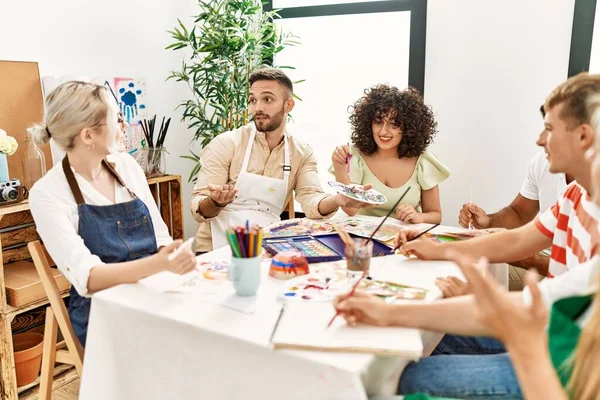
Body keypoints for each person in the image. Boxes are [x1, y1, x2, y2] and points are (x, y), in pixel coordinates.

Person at [335, 72, 600, 399]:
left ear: (584, 137)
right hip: (545, 332)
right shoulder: (575, 194)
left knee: (411, 377)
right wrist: (439, 250)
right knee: (428, 338)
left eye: (548, 128)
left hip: (561, 365)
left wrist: (389, 310)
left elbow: (533, 305)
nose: (539, 140)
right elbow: (515, 239)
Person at [28, 81, 196, 346]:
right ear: (88, 136)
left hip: (152, 291)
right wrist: (160, 264)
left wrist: (171, 256)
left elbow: (160, 237)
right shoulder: (48, 193)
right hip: (103, 313)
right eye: (116, 118)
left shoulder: (127, 166)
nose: (124, 125)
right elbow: (90, 278)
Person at [190, 68, 371, 253]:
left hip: (267, 247)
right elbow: (199, 208)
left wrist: (338, 199)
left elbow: (310, 199)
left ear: (288, 105)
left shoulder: (301, 152)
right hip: (216, 249)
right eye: (253, 100)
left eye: (267, 99)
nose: (258, 107)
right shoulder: (226, 143)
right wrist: (216, 201)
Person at [437, 106, 572, 295]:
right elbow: (519, 215)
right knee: (456, 272)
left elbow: (582, 274)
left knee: (465, 281)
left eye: (549, 129)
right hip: (547, 263)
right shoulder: (547, 167)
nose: (540, 140)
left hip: (561, 275)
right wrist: (487, 222)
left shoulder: (585, 196)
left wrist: (534, 262)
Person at [330, 84, 450, 223]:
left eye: (394, 124)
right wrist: (339, 168)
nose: (383, 131)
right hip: (363, 239)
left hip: (405, 240)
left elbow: (435, 216)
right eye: (378, 122)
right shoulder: (355, 156)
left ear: (409, 127)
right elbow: (350, 210)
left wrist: (418, 217)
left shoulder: (423, 161)